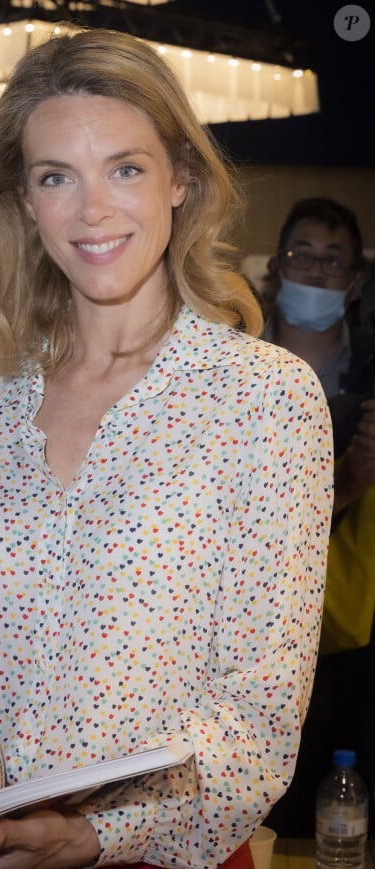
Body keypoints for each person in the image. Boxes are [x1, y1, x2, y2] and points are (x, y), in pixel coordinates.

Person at [0, 29, 333, 868]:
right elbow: (36, 620)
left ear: (180, 178)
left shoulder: (263, 400)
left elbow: (260, 712)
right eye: (55, 178)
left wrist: (104, 833)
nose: (93, 211)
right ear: (23, 200)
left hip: (156, 855)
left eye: (126, 168)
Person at [262, 199, 375, 838]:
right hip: (252, 631)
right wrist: (349, 485)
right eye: (303, 255)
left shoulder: (370, 373)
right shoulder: (233, 368)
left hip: (354, 638)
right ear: (278, 266)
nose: (316, 272)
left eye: (333, 261)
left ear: (354, 282)